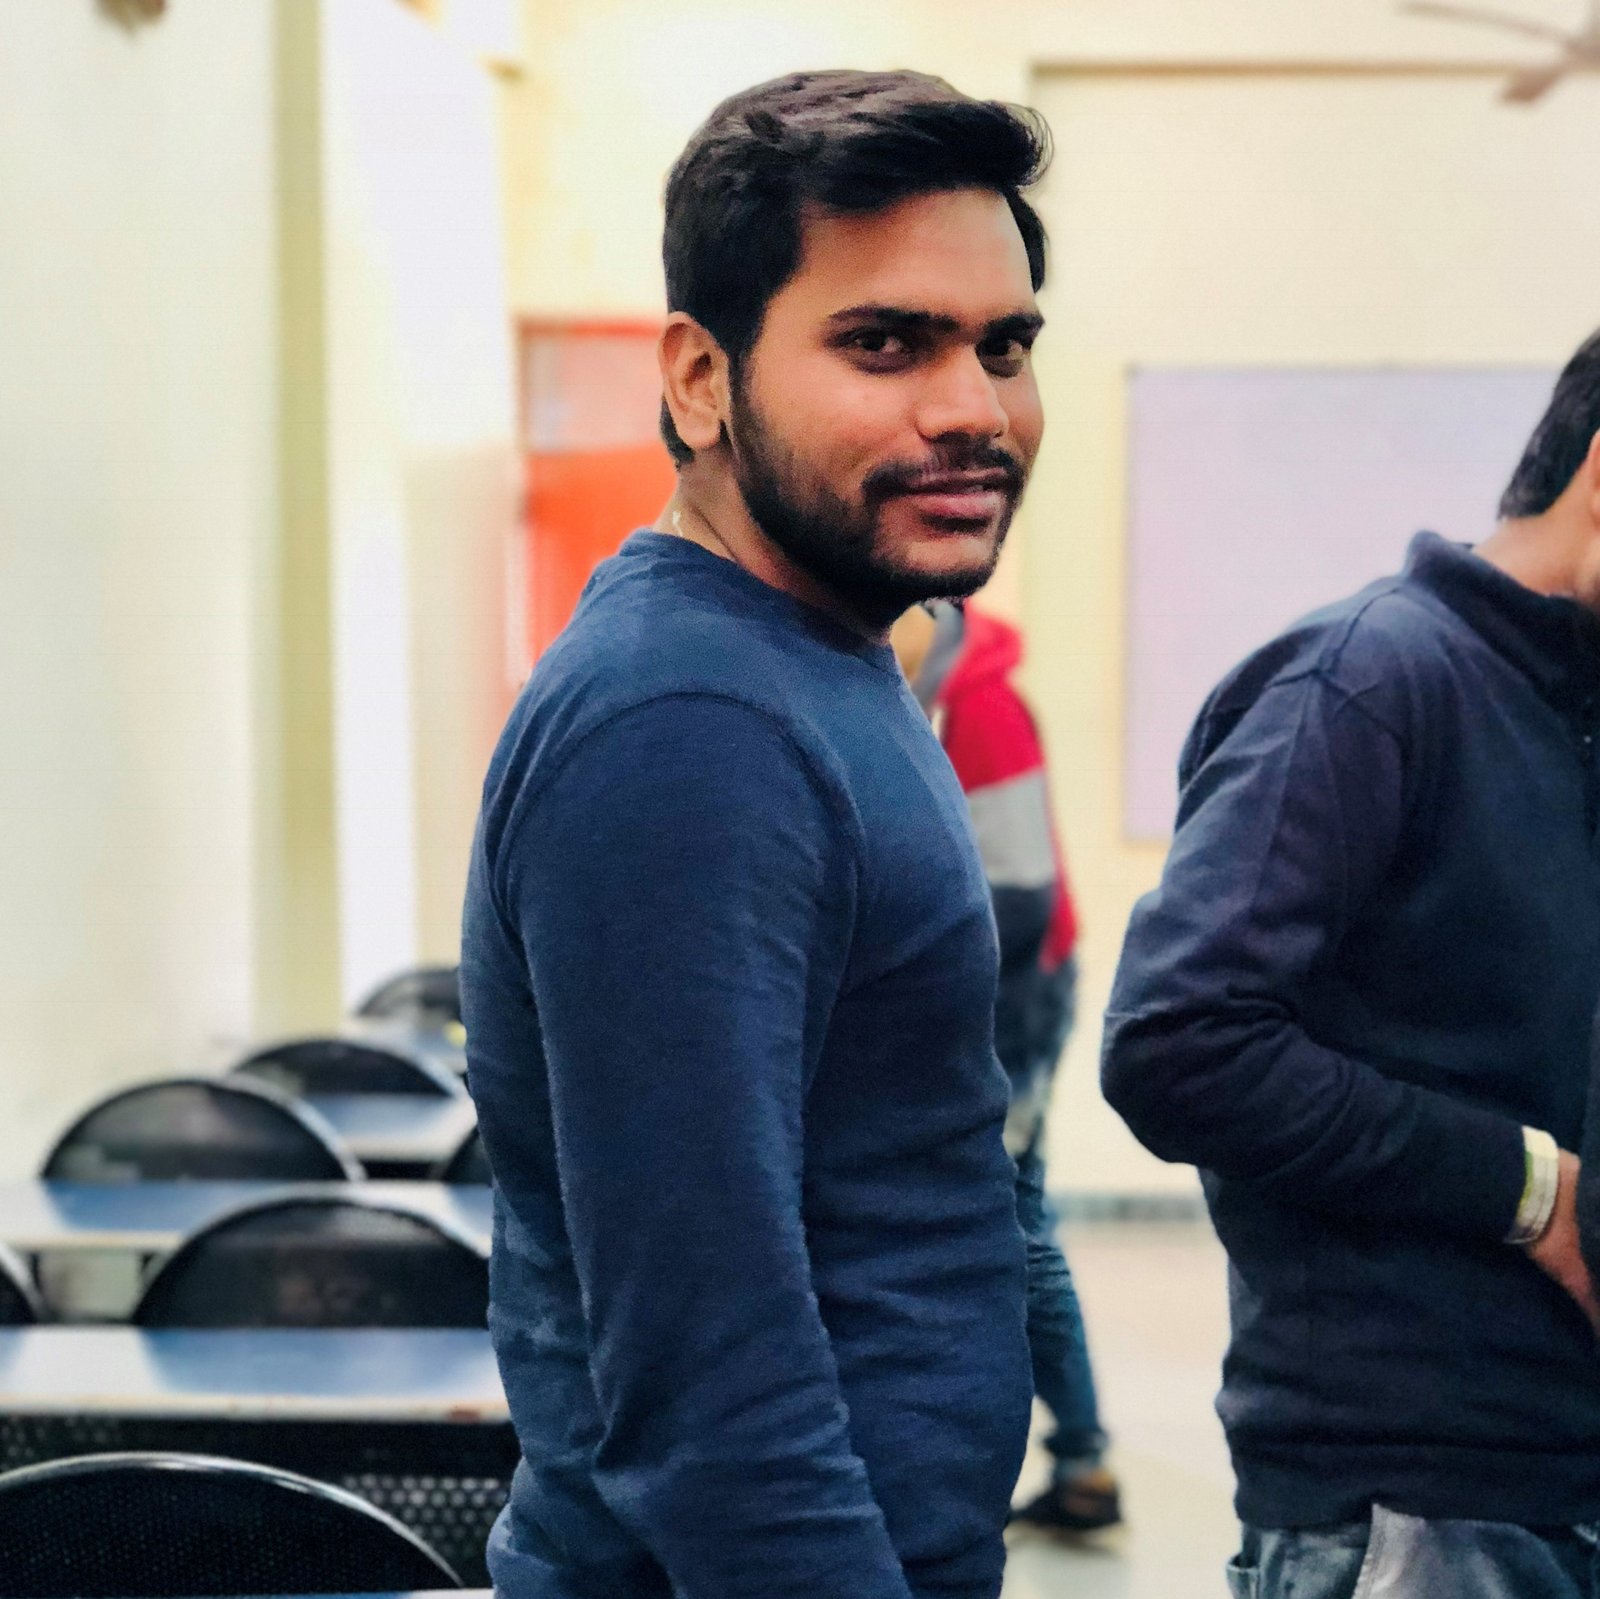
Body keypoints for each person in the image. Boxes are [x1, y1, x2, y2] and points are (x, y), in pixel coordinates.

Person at [460, 71, 1053, 1599]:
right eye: (885, 342)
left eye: (1002, 344)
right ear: (700, 379)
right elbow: (713, 1386)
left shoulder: (816, 655)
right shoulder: (690, 722)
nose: (973, 409)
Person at [1103, 329, 1600, 1597]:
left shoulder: (1570, 713)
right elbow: (1179, 1042)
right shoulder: (1368, 680)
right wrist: (1528, 1187)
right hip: (1419, 1508)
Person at [893, 599, 1120, 1534]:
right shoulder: (918, 687)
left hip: (1015, 1000)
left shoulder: (979, 705)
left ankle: (1084, 1456)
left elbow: (1019, 901)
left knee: (1016, 1222)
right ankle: (1080, 1456)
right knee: (1015, 1218)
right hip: (995, 993)